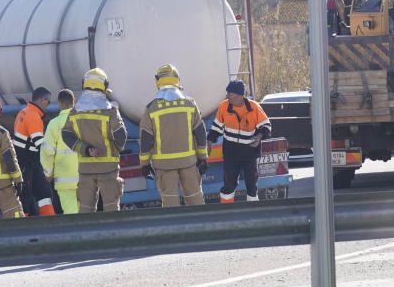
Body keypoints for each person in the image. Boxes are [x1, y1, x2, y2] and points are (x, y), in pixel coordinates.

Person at [139, 64, 207, 207]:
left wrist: (144, 164)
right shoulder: (190, 104)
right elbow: (200, 134)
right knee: (196, 201)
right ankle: (201, 227)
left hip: (164, 166)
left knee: (170, 205)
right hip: (188, 163)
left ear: (158, 81)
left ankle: (175, 229)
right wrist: (203, 158)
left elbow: (146, 140)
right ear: (177, 80)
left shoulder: (151, 109)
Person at [62, 67, 127, 212]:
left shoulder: (74, 112)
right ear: (104, 88)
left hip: (85, 168)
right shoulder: (110, 111)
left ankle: (87, 235)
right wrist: (114, 150)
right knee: (111, 209)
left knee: (85, 210)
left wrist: (86, 149)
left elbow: (66, 135)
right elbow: (121, 137)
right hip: (109, 169)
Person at [208, 79, 272, 203]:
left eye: (230, 94)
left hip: (249, 152)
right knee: (228, 185)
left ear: (239, 96)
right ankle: (227, 213)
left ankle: (253, 213)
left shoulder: (254, 107)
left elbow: (266, 126)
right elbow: (216, 127)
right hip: (230, 151)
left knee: (251, 185)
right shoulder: (224, 106)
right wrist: (209, 140)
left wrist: (258, 137)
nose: (227, 96)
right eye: (227, 93)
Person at [12, 86, 57, 216]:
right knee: (33, 196)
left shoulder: (23, 112)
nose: (48, 105)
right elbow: (40, 145)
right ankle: (45, 223)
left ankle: (46, 220)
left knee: (33, 194)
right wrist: (54, 158)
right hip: (29, 162)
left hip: (24, 161)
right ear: (43, 100)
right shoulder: (34, 116)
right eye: (48, 101)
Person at [41, 88, 79, 214]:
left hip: (65, 180)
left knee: (71, 213)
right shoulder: (82, 120)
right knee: (87, 213)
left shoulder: (54, 124)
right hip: (86, 177)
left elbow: (47, 151)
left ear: (60, 103)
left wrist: (48, 173)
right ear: (74, 101)